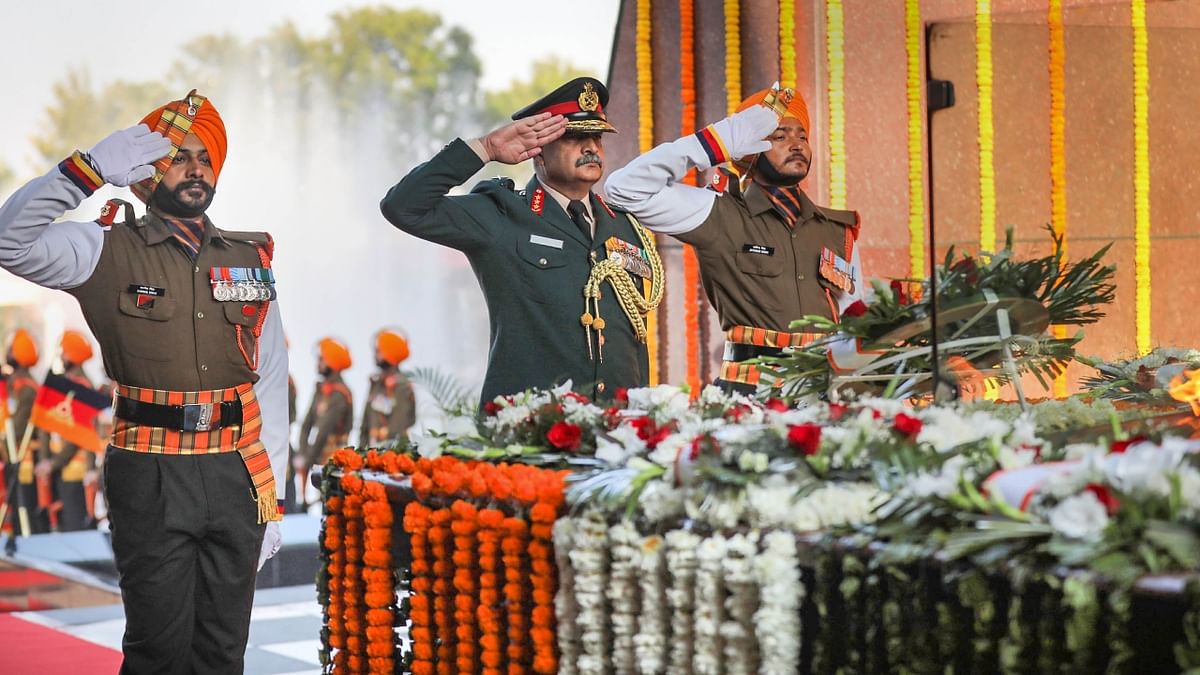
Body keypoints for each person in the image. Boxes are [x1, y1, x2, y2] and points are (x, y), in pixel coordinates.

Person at [0, 90, 288, 673]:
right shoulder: (103, 248)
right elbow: (10, 239)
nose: (195, 168)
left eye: (204, 157)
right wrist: (88, 172)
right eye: (178, 156)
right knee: (158, 650)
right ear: (144, 172)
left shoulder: (248, 258)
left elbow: (272, 375)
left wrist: (274, 493)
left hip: (237, 473)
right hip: (152, 474)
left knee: (223, 652)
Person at [380, 77, 664, 405]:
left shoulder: (624, 227)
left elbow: (634, 337)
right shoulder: (501, 213)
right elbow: (403, 206)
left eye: (596, 137)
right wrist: (484, 149)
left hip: (617, 427)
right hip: (532, 429)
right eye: (574, 138)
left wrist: (642, 412)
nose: (591, 148)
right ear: (538, 153)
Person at [604, 86, 865, 393]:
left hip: (824, 392)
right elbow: (623, 189)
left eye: (802, 136)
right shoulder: (717, 213)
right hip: (750, 395)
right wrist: (720, 140)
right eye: (779, 137)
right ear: (748, 149)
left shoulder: (836, 230)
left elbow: (855, 317)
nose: (796, 144)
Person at [35, 330, 100, 531]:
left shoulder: (82, 387)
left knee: (75, 528)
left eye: (63, 352)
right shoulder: (67, 383)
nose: (61, 356)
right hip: (62, 469)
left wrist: (53, 463)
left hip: (75, 472)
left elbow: (78, 434)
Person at [3, 329, 49, 534]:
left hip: (22, 456)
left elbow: (17, 426)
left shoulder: (26, 387)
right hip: (12, 454)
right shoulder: (16, 382)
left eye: (11, 350)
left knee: (24, 508)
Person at [297, 337, 353, 495]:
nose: (318, 364)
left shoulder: (339, 394)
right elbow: (306, 424)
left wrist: (307, 460)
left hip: (334, 461)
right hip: (318, 457)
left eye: (322, 359)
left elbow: (323, 432)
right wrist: (303, 452)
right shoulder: (321, 390)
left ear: (332, 363)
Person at [359, 329, 416, 448]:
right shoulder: (376, 383)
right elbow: (365, 424)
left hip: (395, 453)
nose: (375, 355)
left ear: (390, 353)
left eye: (378, 351)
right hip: (373, 451)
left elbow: (398, 427)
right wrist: (360, 453)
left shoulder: (401, 386)